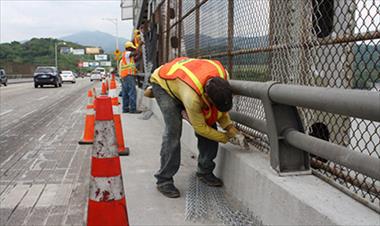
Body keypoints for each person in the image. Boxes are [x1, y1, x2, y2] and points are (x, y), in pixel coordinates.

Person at [149, 57, 243, 198]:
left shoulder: (223, 77)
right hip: (163, 84)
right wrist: (226, 137)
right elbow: (200, 128)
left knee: (210, 123)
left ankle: (204, 172)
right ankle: (164, 180)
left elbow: (219, 112)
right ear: (207, 96)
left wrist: (230, 128)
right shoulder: (192, 98)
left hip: (182, 81)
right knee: (173, 131)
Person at [119, 41, 141, 113]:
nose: (133, 49)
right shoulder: (127, 53)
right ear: (129, 47)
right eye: (132, 48)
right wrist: (140, 45)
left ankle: (125, 109)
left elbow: (136, 57)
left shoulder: (126, 58)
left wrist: (140, 53)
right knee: (132, 92)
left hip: (124, 76)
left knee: (125, 93)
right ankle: (133, 109)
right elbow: (135, 53)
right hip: (128, 75)